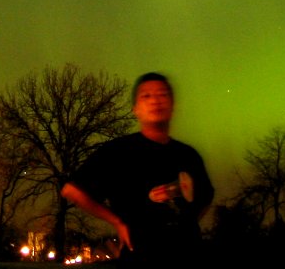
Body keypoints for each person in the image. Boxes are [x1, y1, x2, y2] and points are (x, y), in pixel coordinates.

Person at [61, 72, 214, 267]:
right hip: (138, 257)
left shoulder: (189, 155)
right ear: (135, 109)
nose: (155, 101)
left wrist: (188, 223)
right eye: (146, 96)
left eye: (162, 94)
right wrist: (117, 222)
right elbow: (72, 190)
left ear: (173, 106)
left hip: (189, 256)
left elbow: (206, 196)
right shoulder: (118, 151)